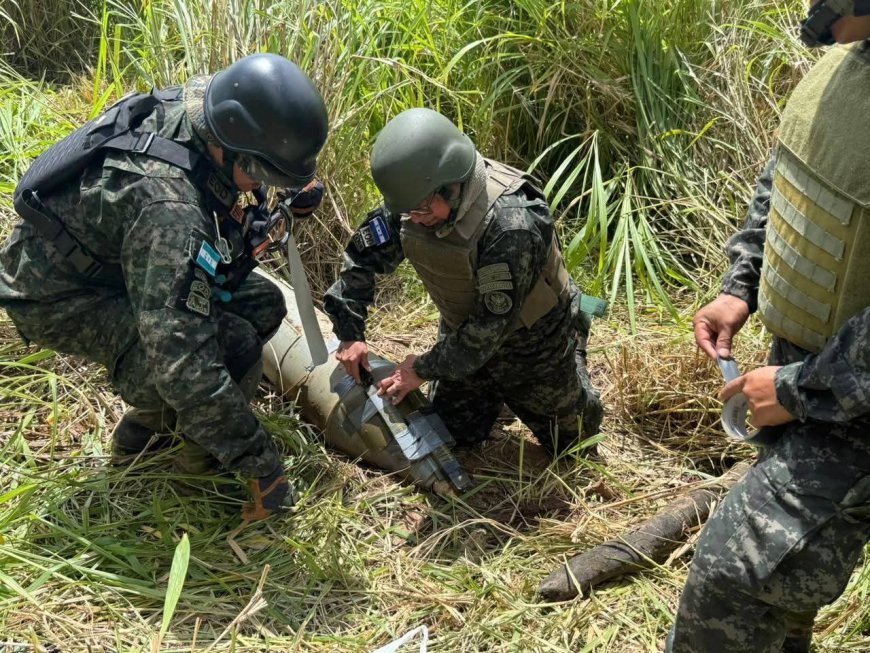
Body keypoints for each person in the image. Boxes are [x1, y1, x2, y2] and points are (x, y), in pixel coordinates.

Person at [0, 53, 328, 521]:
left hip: (112, 258)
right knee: (231, 347)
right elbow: (183, 362)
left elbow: (217, 201)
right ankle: (183, 460)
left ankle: (162, 427)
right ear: (231, 147)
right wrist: (262, 465)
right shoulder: (171, 213)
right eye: (260, 174)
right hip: (57, 293)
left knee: (262, 304)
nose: (260, 185)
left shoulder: (203, 113)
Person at [668, 3, 870, 651]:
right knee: (776, 599)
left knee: (734, 579)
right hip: (814, 380)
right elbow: (792, 169)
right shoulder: (850, 61)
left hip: (849, 407)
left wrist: (795, 389)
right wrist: (742, 283)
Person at [323, 108, 602, 459]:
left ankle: (575, 340)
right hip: (464, 335)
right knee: (450, 435)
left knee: (574, 446)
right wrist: (350, 333)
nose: (416, 220)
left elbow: (489, 329)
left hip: (533, 344)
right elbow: (361, 258)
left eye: (423, 210)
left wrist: (420, 369)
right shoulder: (415, 198)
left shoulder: (510, 226)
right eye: (410, 212)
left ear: (451, 187)